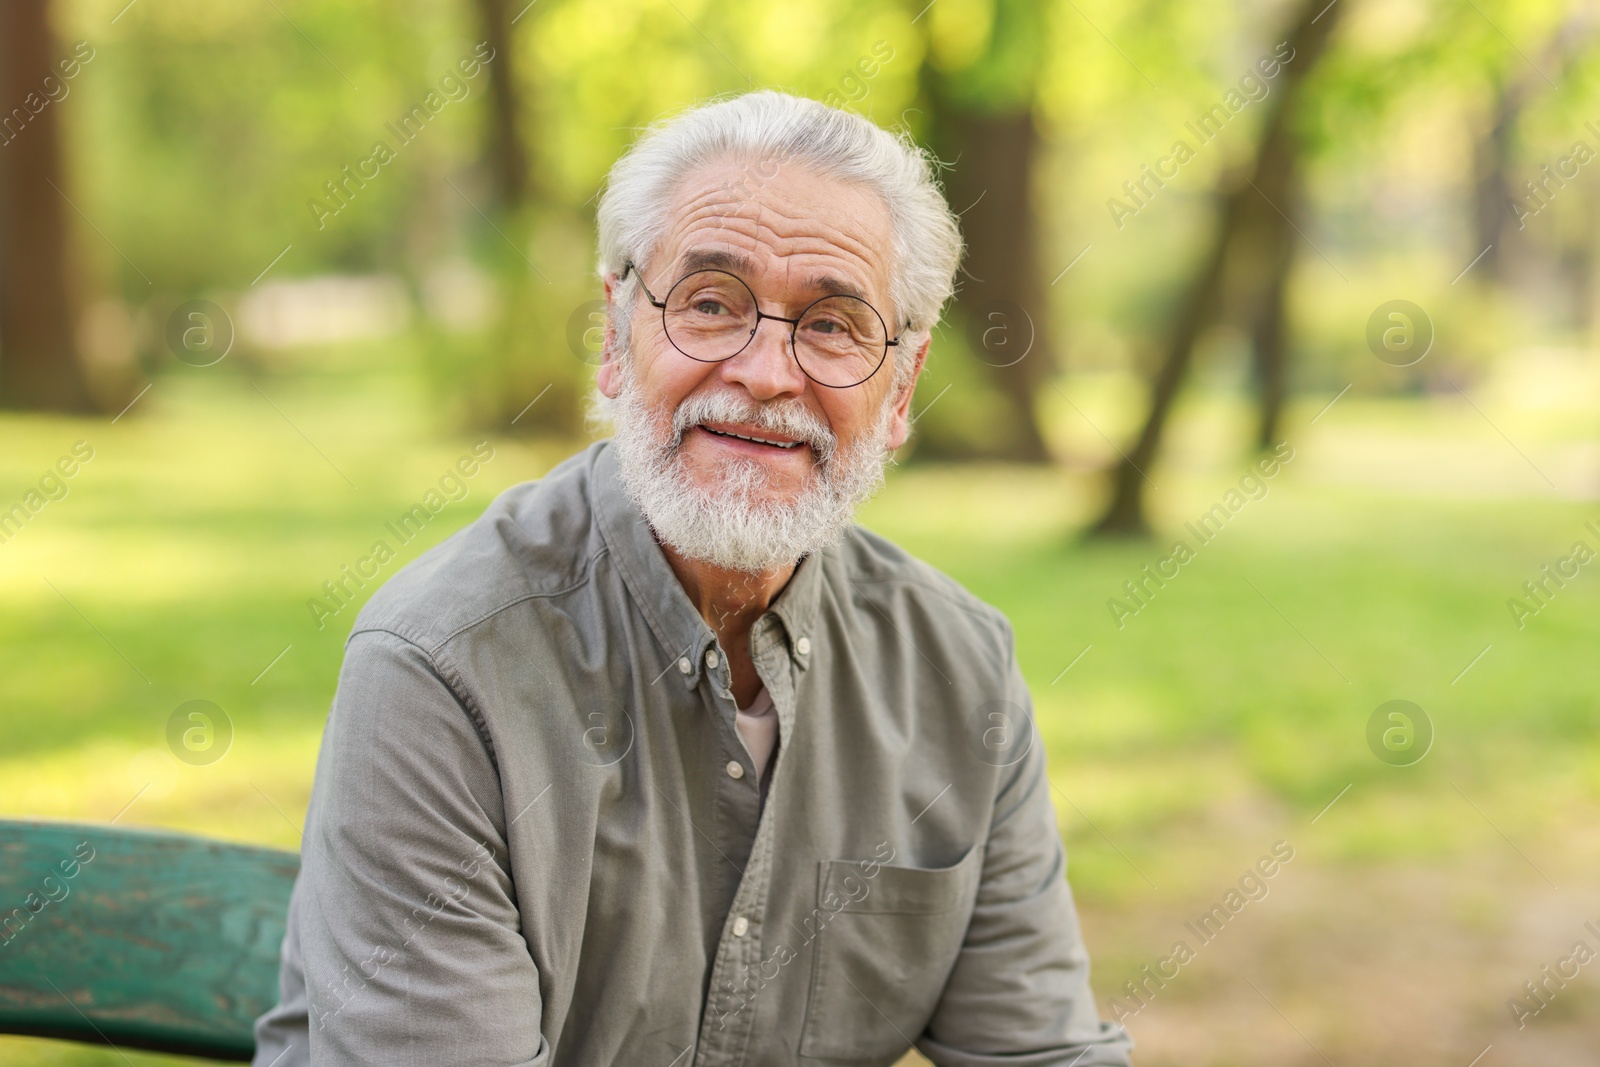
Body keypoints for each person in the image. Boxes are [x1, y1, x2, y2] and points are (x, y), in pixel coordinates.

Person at [252, 89, 1133, 1067]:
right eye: (711, 304)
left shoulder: (961, 672)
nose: (764, 373)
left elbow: (1041, 1051)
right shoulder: (441, 668)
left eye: (834, 324)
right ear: (616, 332)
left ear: (900, 388)